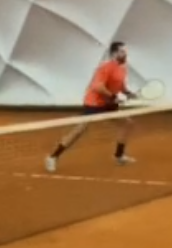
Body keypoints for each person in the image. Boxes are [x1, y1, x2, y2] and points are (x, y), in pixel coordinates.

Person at [46, 41, 137, 172]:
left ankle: (119, 155)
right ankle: (53, 157)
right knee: (79, 130)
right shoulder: (105, 67)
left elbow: (120, 86)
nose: (125, 54)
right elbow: (98, 87)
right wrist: (113, 97)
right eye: (122, 51)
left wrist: (129, 93)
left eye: (125, 51)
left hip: (108, 104)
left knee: (127, 124)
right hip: (94, 103)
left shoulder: (122, 69)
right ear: (114, 53)